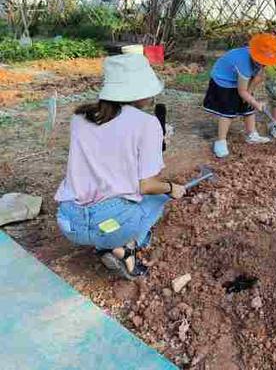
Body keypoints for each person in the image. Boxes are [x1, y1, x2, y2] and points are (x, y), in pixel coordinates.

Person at [55, 54, 187, 280]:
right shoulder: (147, 124)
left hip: (70, 221)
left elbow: (107, 150)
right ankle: (127, 247)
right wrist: (171, 187)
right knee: (160, 197)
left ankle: (110, 246)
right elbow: (147, 184)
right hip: (111, 223)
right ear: (141, 91)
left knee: (122, 204)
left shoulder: (80, 117)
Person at [203, 33, 276, 158]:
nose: (264, 64)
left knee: (248, 107)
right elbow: (241, 91)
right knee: (228, 111)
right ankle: (220, 141)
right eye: (261, 61)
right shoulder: (243, 63)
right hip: (224, 80)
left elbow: (258, 77)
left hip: (241, 81)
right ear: (254, 54)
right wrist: (255, 102)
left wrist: (250, 97)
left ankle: (252, 134)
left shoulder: (260, 60)